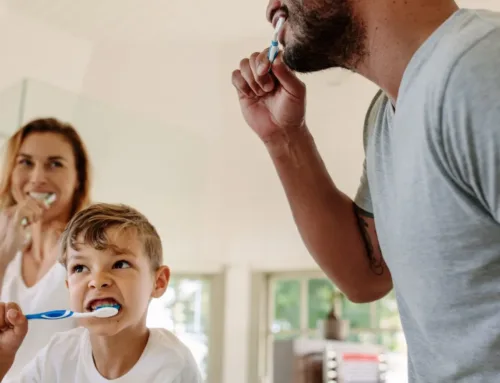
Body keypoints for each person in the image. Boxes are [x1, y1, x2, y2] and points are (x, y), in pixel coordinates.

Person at [232, 0, 500, 381]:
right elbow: (367, 275)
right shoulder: (386, 116)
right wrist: (284, 139)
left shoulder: (483, 70)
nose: (272, 5)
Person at [0, 203, 202, 382]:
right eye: (80, 268)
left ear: (158, 282)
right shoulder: (57, 356)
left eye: (120, 264)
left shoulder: (174, 367)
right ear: (69, 286)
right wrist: (3, 356)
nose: (97, 281)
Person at [0, 118, 92, 380]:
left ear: (78, 179)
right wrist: (3, 256)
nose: (38, 178)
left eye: (55, 164)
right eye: (25, 162)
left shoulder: (90, 257)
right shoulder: (5, 252)